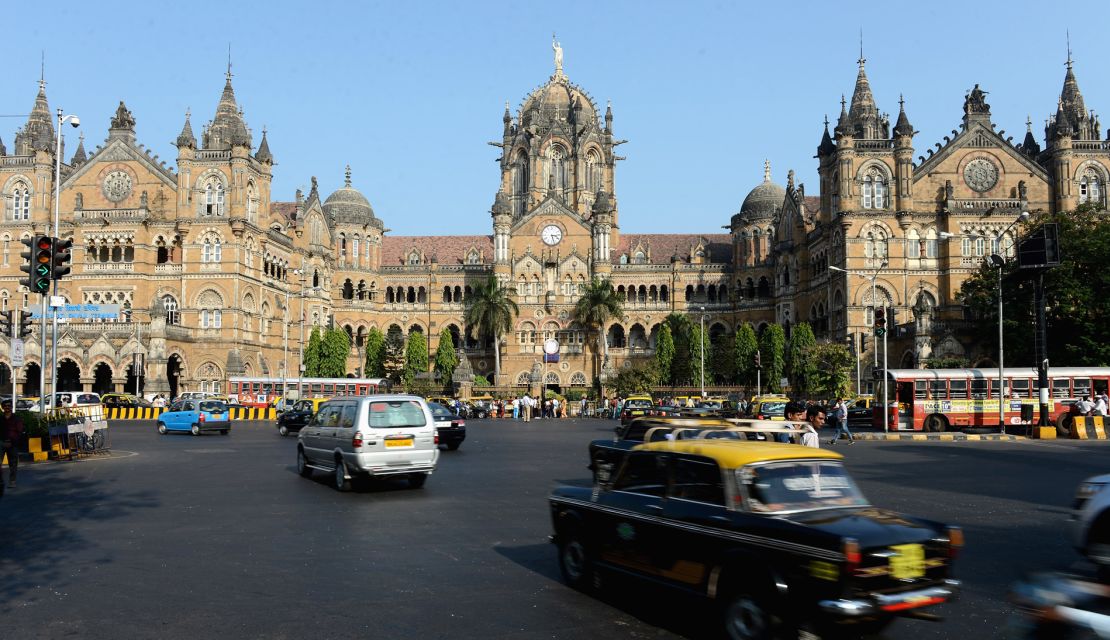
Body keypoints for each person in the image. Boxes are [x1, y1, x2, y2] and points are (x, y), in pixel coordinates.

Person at [1, 399, 24, 488]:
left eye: (9, 406)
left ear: (11, 407)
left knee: (13, 464)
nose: (7, 407)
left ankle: (12, 481)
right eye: (5, 406)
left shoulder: (17, 419)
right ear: (3, 408)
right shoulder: (0, 418)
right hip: (1, 443)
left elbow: (19, 431)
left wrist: (11, 441)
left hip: (12, 444)